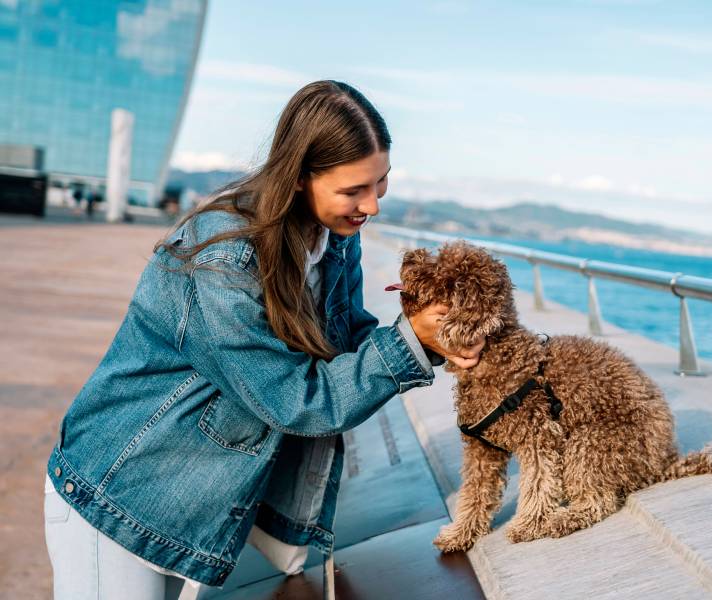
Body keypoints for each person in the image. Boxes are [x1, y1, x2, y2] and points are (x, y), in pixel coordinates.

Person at [43, 80, 485, 600]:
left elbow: (342, 336)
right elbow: (297, 401)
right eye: (353, 191)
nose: (372, 206)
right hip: (120, 493)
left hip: (188, 498)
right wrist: (408, 343)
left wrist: (430, 339)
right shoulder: (224, 263)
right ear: (299, 177)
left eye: (380, 183)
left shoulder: (332, 238)